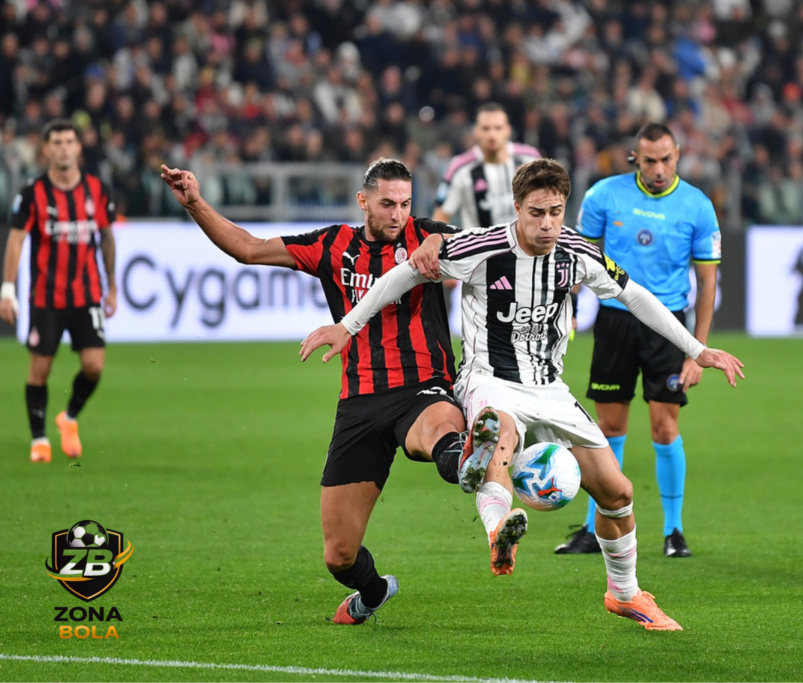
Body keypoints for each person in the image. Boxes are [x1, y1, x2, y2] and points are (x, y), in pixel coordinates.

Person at [302, 159, 745, 631]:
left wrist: (697, 349)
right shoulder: (481, 247)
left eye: (555, 212)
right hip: (488, 378)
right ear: (517, 208)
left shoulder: (578, 253)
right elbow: (403, 275)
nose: (547, 224)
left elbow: (634, 296)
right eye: (536, 213)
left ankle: (625, 593)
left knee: (618, 492)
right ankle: (499, 528)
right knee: (499, 434)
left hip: (549, 388)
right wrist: (348, 326)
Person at [158, 158, 496, 626]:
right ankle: (374, 592)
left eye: (405, 204)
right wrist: (195, 203)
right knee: (339, 555)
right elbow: (249, 250)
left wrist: (441, 239)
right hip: (360, 402)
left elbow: (489, 243)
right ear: (363, 201)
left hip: (424, 387)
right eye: (387, 204)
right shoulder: (333, 245)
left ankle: (464, 460)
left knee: (439, 431)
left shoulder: (428, 234)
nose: (398, 214)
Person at [558, 122, 722, 558]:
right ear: (635, 158)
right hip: (615, 322)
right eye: (650, 161)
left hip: (667, 327)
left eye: (666, 159)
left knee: (665, 427)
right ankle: (593, 529)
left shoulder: (698, 206)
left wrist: (697, 351)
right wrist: (567, 308)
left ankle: (674, 531)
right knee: (608, 427)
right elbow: (577, 261)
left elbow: (708, 284)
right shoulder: (603, 196)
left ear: (678, 154)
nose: (659, 169)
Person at [1, 119, 117, 464]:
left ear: (79, 148)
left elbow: (107, 238)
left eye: (69, 141)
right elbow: (16, 240)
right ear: (46, 149)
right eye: (57, 142)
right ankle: (39, 439)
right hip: (46, 297)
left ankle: (68, 417)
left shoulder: (97, 190)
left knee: (94, 367)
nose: (64, 148)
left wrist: (111, 288)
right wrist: (7, 289)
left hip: (87, 294)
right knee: (40, 370)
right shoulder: (32, 193)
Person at [433, 102, 540, 229]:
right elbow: (441, 216)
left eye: (498, 128)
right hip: (479, 242)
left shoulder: (530, 160)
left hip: (526, 242)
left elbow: (551, 204)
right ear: (476, 131)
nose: (492, 135)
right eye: (486, 128)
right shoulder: (459, 167)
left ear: (508, 130)